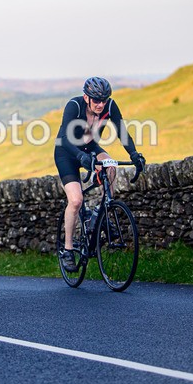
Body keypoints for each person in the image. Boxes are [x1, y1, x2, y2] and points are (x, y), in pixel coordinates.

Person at [54, 77, 146, 272]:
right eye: (96, 100)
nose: (101, 104)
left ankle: (104, 213)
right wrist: (81, 157)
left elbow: (122, 132)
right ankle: (68, 250)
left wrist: (134, 154)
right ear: (86, 97)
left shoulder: (110, 106)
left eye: (104, 99)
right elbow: (64, 139)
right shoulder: (74, 106)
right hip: (67, 152)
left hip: (90, 148)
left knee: (111, 166)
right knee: (76, 200)